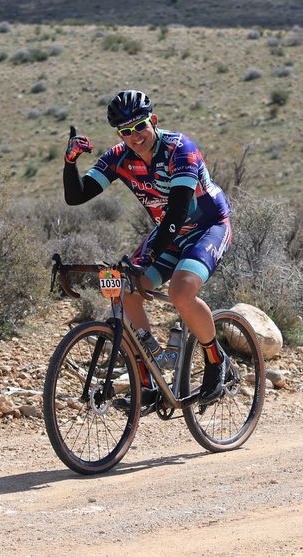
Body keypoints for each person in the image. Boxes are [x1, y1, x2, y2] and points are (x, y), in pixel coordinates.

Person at [63, 89, 233, 411]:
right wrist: (70, 162)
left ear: (153, 121)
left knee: (182, 293)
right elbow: (77, 195)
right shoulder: (118, 157)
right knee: (126, 290)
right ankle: (150, 381)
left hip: (207, 227)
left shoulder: (180, 150)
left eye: (139, 127)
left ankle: (214, 359)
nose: (134, 137)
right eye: (125, 132)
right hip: (169, 233)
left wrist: (150, 252)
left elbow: (179, 211)